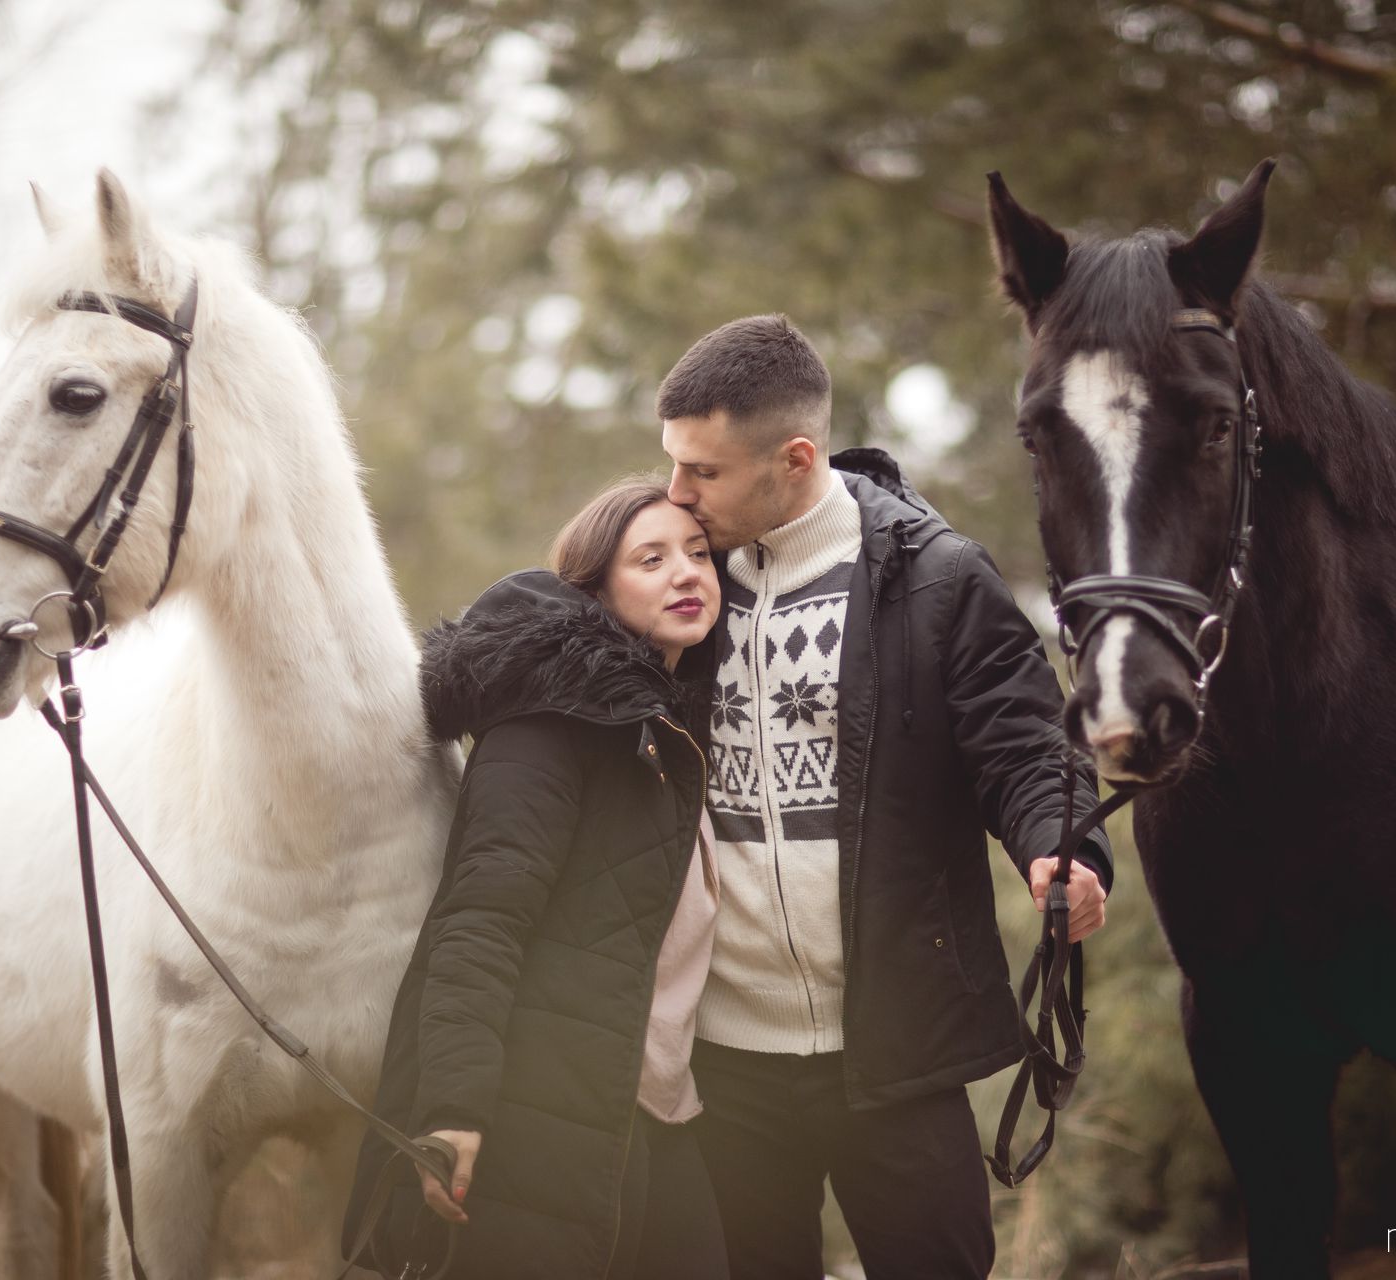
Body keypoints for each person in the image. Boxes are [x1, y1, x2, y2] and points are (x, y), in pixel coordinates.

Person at [656, 314, 1114, 1280]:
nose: (676, 492)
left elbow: (1027, 746)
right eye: (673, 464)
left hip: (897, 1050)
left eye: (703, 471)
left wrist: (1061, 849)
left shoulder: (938, 578)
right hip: (724, 1059)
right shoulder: (679, 583)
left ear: (794, 459)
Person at [345, 479, 729, 1280]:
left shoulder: (671, 729)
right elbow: (481, 918)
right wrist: (452, 1108)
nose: (686, 574)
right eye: (651, 559)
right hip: (538, 1117)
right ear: (595, 591)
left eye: (698, 554)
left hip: (658, 1111)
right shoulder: (547, 728)